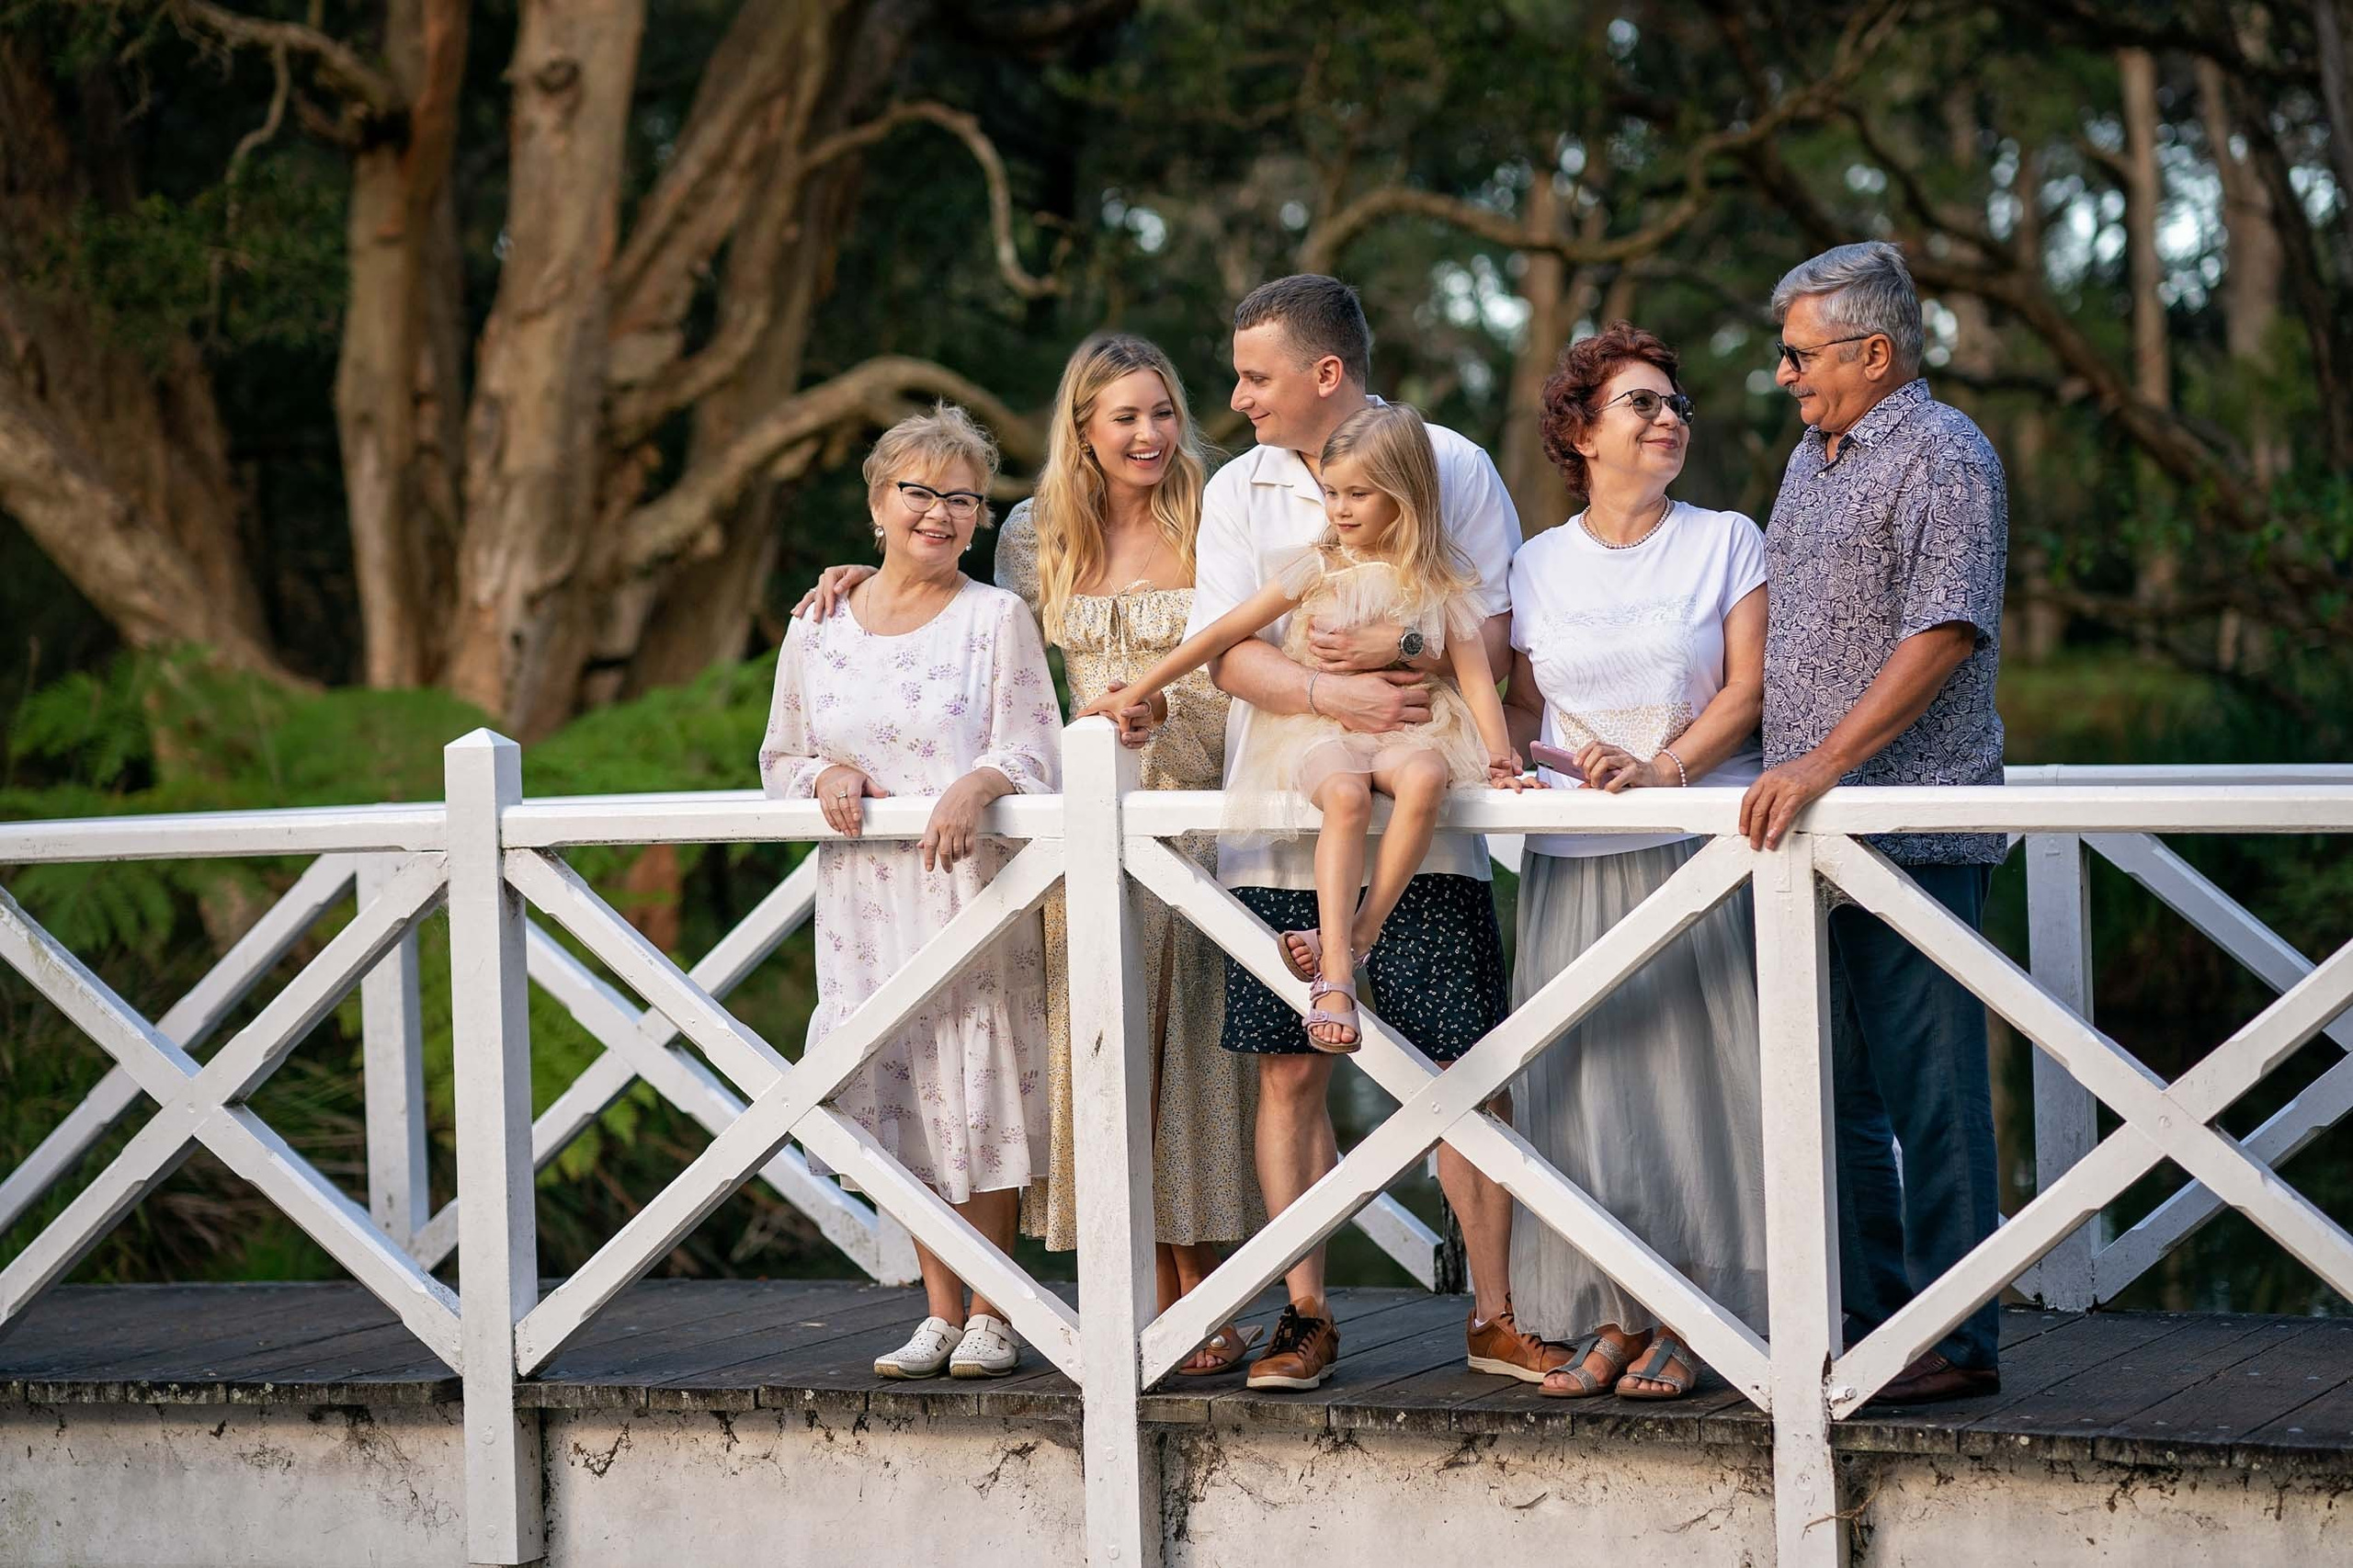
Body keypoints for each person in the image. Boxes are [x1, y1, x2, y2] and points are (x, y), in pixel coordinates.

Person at [797, 335, 1267, 1377]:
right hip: (1083, 812)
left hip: (1194, 799)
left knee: (1192, 1061)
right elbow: (940, 593)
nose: (1149, 434)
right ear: (1084, 431)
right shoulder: (1034, 533)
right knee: (1101, 1062)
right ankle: (1137, 1304)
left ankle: (1214, 1298)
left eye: (1160, 412)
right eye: (1124, 417)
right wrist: (859, 572)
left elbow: (1261, 635)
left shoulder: (1215, 513)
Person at [1188, 274, 1563, 1392]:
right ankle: (1303, 1314)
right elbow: (1227, 656)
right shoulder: (1237, 491)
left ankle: (1493, 1314)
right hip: (1281, 807)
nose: (1240, 397)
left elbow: (1483, 646)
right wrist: (1327, 694)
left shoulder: (1450, 463)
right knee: (1289, 1072)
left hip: (1421, 814)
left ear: (1326, 373)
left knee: (1463, 1065)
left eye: (1256, 376)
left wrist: (1387, 661)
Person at [1739, 241, 2009, 1405]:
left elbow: (1943, 631)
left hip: (1914, 828)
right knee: (1832, 1092)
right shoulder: (1810, 460)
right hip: (1813, 840)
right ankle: (1872, 1317)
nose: (1786, 375)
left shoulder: (1945, 456)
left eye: (1800, 354)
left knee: (1931, 1091)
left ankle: (1955, 1339)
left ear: (1874, 351)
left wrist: (1820, 765)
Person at [757, 403, 1061, 1381]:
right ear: (878, 502)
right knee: (895, 1095)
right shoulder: (817, 627)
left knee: (975, 1096)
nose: (939, 512)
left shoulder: (995, 618)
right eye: (919, 492)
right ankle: (937, 1310)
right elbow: (780, 758)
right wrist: (823, 777)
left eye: (961, 496)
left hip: (964, 890)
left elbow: (1036, 749)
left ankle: (994, 1310)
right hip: (862, 902)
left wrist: (982, 780)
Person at [1079, 402, 1534, 1051]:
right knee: (1345, 796)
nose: (1341, 509)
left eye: (1359, 495)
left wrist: (1499, 758)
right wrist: (1139, 687)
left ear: (1404, 498)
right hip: (1319, 732)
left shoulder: (1441, 578)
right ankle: (1338, 980)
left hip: (1409, 732)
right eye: (1331, 493)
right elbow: (1223, 633)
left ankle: (1356, 936)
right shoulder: (1317, 564)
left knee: (1429, 777)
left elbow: (1473, 675)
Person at [1497, 324, 1769, 1401]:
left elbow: (1747, 689)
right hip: (1572, 851)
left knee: (1702, 1095)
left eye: (1674, 406)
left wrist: (1663, 766)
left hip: (1693, 847)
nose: (1668, 421)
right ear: (1580, 431)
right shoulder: (1535, 561)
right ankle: (1612, 1309)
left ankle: (1700, 1317)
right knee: (1590, 1092)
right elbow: (1524, 703)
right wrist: (1509, 759)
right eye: (1641, 405)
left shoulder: (1726, 540)